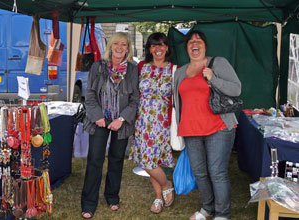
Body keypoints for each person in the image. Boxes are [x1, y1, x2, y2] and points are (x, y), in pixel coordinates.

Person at [173, 30, 241, 220]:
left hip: (218, 128)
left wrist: (213, 78)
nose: (195, 44)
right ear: (187, 47)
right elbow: (178, 103)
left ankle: (222, 214)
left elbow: (236, 89)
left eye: (199, 41)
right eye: (191, 42)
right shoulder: (180, 72)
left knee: (217, 172)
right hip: (191, 129)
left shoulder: (217, 63)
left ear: (204, 45)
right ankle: (207, 208)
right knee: (200, 173)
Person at [81, 32, 139, 219]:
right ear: (111, 46)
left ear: (128, 49)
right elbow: (89, 94)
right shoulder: (98, 66)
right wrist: (98, 117)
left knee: (116, 160)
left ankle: (112, 196)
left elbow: (135, 99)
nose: (120, 47)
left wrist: (121, 119)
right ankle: (89, 203)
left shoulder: (132, 69)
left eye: (124, 45)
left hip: (120, 123)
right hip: (99, 121)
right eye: (117, 44)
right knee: (95, 161)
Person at [130, 32, 175, 214]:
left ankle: (161, 192)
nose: (158, 48)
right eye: (154, 45)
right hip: (142, 121)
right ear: (149, 48)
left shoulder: (174, 69)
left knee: (152, 161)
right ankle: (163, 189)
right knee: (148, 161)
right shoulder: (141, 67)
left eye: (162, 44)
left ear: (167, 48)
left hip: (162, 123)